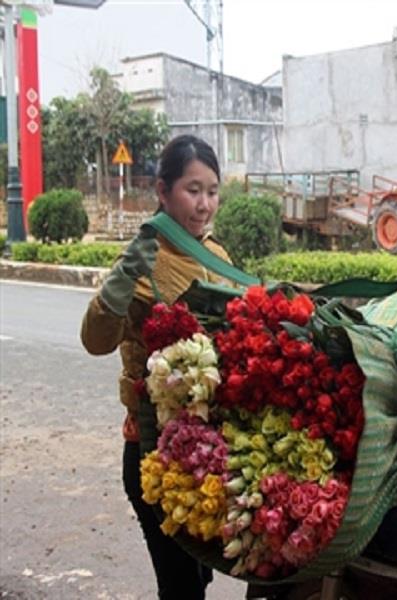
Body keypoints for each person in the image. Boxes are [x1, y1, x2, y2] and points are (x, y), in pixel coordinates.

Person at [81, 134, 231, 600]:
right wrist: (119, 284)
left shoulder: (219, 258)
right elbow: (95, 340)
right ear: (162, 193)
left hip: (210, 450)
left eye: (212, 191)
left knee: (198, 579)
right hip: (153, 452)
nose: (204, 204)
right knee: (181, 586)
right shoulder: (142, 259)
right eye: (192, 190)